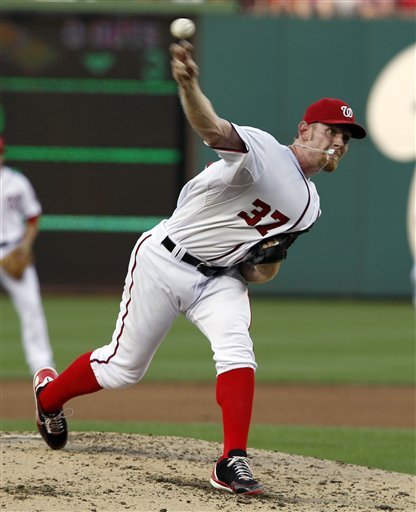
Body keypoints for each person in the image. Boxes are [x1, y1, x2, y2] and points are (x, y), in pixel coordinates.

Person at [32, 42, 366, 496]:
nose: (339, 143)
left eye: (346, 138)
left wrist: (257, 271)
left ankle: (231, 461)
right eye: (333, 131)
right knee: (123, 369)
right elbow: (210, 126)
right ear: (304, 129)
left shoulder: (311, 207)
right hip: (165, 259)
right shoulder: (265, 151)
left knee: (237, 348)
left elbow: (264, 265)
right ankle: (49, 397)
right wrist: (189, 85)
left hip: (218, 279)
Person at [0, 136, 55, 375]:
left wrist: (24, 246)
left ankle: (43, 370)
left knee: (32, 308)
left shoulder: (17, 182)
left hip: (13, 248)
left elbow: (33, 217)